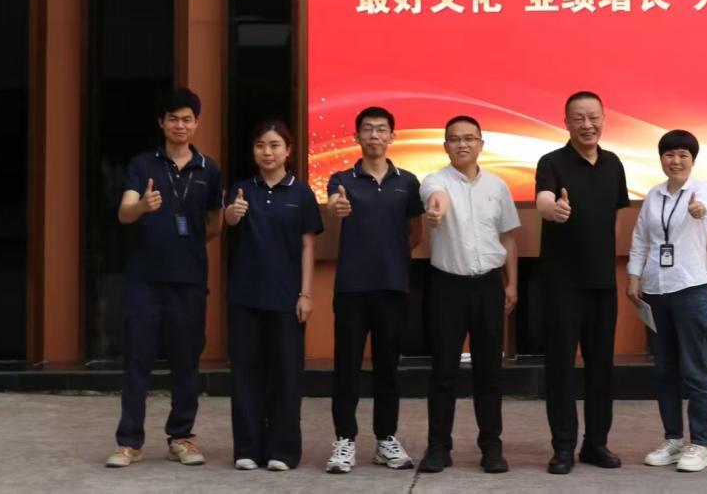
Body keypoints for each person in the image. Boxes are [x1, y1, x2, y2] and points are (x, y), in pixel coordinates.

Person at [106, 88, 222, 469]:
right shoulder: (142, 165)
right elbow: (124, 213)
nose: (180, 125)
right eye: (173, 119)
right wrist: (142, 206)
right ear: (161, 122)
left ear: (196, 123)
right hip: (145, 280)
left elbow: (214, 223)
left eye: (187, 119)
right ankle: (129, 442)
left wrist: (186, 246)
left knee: (186, 363)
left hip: (189, 280)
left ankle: (182, 438)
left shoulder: (209, 169)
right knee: (137, 361)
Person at [416, 116, 520, 475]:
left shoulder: (497, 186)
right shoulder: (435, 181)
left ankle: (491, 447)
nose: (462, 144)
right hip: (447, 287)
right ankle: (438, 447)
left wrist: (511, 284)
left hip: (489, 285)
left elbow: (508, 238)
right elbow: (437, 199)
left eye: (469, 138)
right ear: (445, 145)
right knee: (443, 371)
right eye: (455, 139)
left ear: (481, 144)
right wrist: (436, 212)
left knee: (489, 372)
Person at [535, 91, 632, 475]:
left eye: (593, 117)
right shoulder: (552, 162)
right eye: (579, 118)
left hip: (602, 285)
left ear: (604, 119)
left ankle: (596, 443)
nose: (587, 125)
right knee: (560, 367)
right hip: (561, 285)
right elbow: (543, 199)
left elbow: (617, 218)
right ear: (567, 122)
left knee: (601, 368)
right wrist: (553, 210)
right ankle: (562, 447)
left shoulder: (614, 164)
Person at [323, 106, 424, 474]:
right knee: (346, 367)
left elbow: (415, 233)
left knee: (388, 368)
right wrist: (337, 207)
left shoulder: (408, 182)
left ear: (392, 137)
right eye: (368, 129)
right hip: (351, 288)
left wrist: (390, 257)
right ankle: (344, 440)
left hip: (392, 287)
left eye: (382, 129)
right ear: (357, 136)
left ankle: (385, 439)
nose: (375, 135)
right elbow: (334, 205)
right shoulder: (341, 179)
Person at [222, 120, 322, 471]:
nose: (267, 152)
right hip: (245, 296)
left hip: (286, 298)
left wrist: (306, 293)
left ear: (288, 150)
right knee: (245, 374)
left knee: (286, 375)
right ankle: (247, 448)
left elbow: (308, 246)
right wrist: (231, 215)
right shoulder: (241, 190)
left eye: (275, 145)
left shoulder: (302, 194)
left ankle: (283, 450)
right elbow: (228, 223)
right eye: (261, 145)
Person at [627, 130, 707, 473]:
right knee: (665, 370)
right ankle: (674, 440)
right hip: (655, 291)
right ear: (661, 158)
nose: (675, 161)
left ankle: (700, 444)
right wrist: (634, 276)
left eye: (683, 155)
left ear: (692, 160)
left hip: (689, 288)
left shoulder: (702, 189)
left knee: (696, 369)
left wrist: (697, 209)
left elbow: (703, 210)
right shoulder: (654, 195)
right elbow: (641, 238)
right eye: (669, 154)